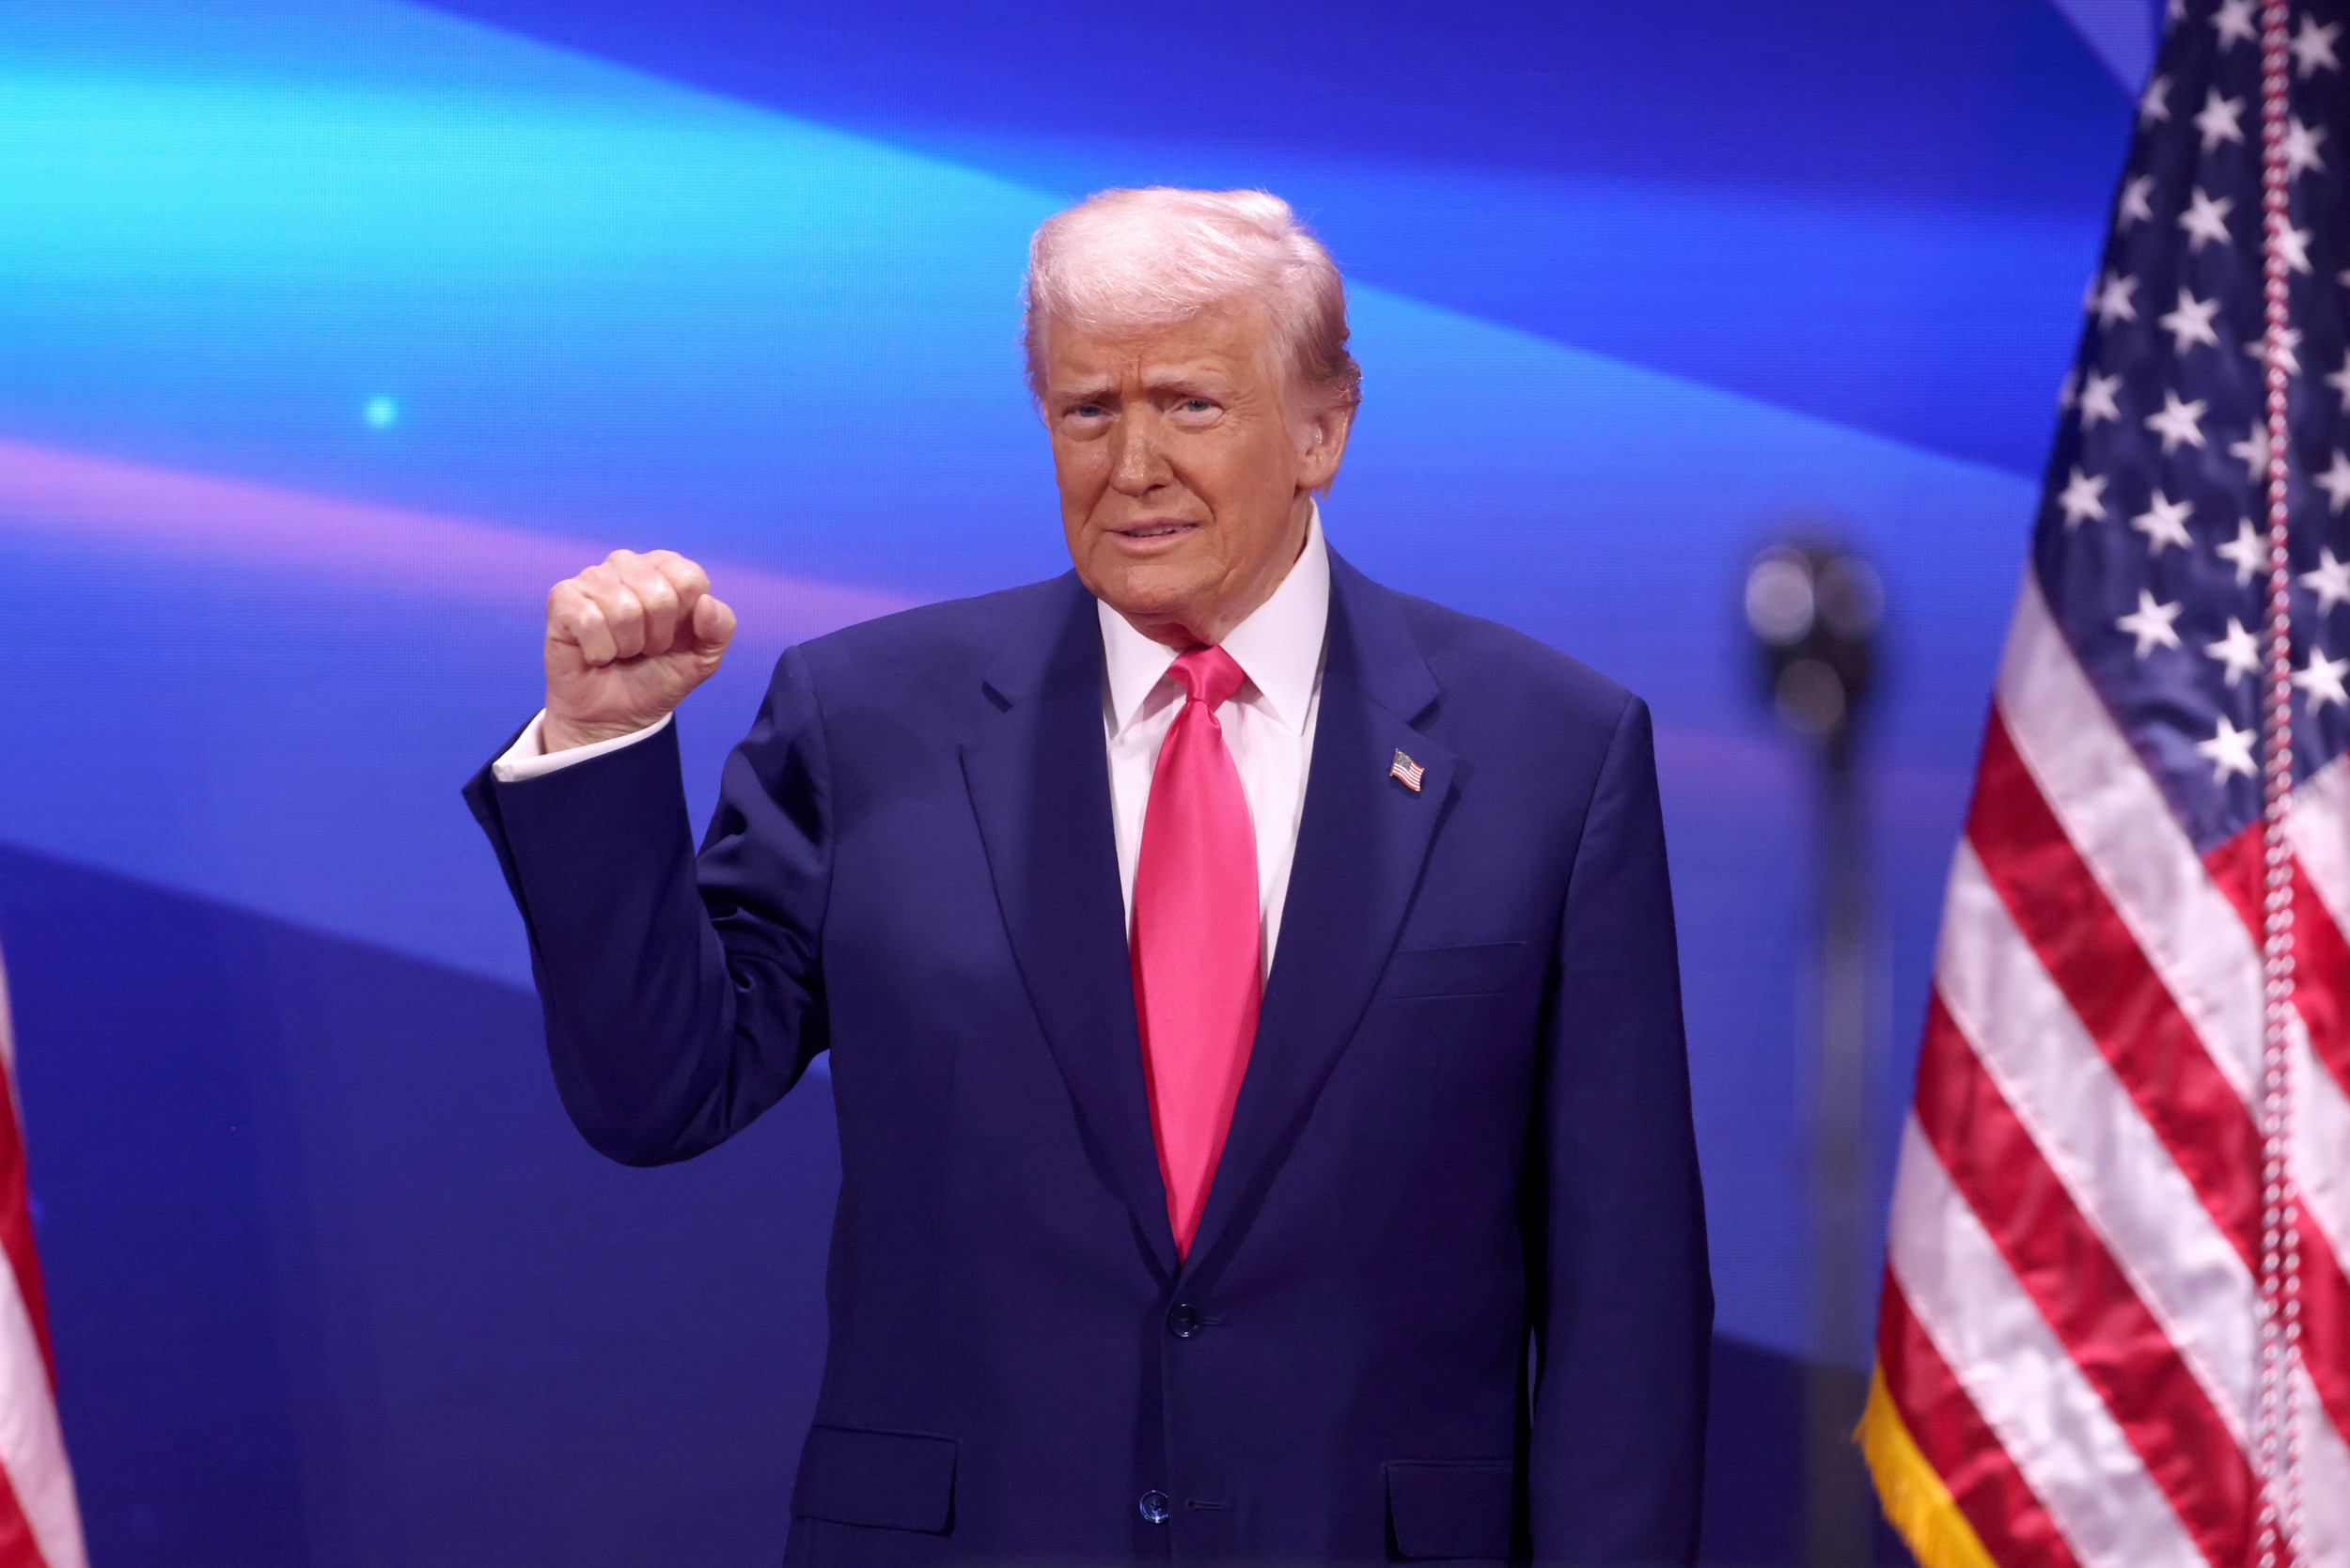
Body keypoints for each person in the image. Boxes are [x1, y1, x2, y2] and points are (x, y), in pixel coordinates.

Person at [465, 187, 1710, 1564]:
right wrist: (601, 744)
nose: (1133, 466)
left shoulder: (1551, 752)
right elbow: (661, 1092)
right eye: (1087, 410)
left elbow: (1626, 1291)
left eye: (1189, 405)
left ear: (1323, 429)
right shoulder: (867, 720)